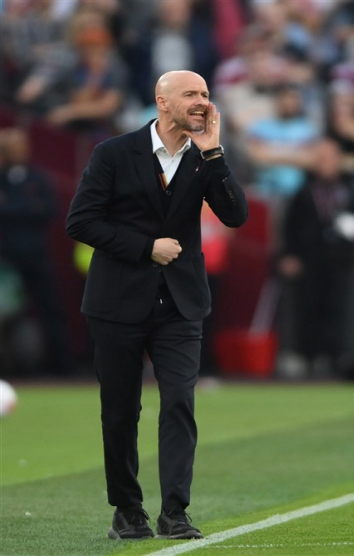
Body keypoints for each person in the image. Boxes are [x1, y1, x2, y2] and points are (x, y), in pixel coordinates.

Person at [66, 70, 248, 540]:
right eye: (192, 94)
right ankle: (127, 511)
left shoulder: (206, 158)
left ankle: (175, 512)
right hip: (116, 302)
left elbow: (235, 215)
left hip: (181, 304)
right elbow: (81, 221)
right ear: (162, 101)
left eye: (206, 95)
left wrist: (214, 152)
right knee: (121, 410)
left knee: (180, 405)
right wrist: (146, 246)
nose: (202, 102)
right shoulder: (113, 153)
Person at [278, 139, 354, 375]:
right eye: (321, 159)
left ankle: (334, 358)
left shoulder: (350, 189)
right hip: (310, 260)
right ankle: (307, 357)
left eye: (330, 159)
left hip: (339, 260)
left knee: (337, 308)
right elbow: (290, 227)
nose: (326, 164)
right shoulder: (304, 192)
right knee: (308, 308)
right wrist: (289, 255)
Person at [0, 127, 72, 376]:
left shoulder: (38, 179)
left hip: (37, 256)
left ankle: (62, 368)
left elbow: (47, 211)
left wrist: (10, 208)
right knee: (7, 314)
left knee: (50, 311)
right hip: (6, 261)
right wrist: (25, 209)